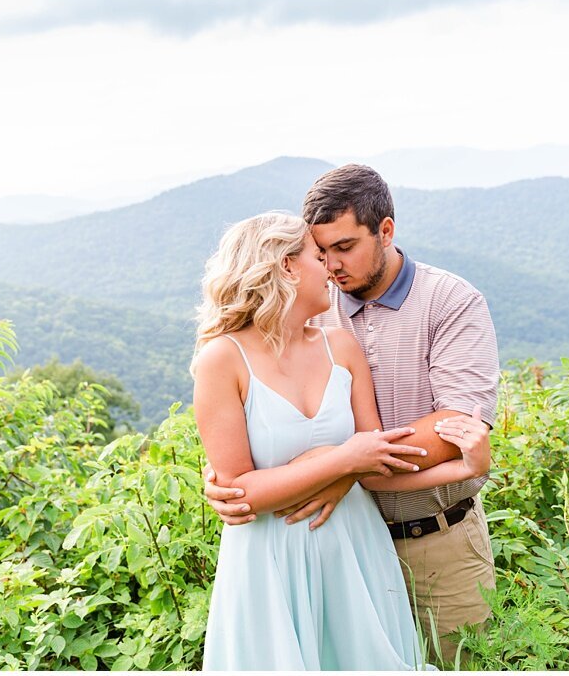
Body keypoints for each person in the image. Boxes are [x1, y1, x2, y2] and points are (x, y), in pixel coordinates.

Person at [205, 165, 500, 665]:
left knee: (455, 662)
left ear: (385, 231)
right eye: (320, 253)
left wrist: (345, 467)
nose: (332, 265)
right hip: (319, 546)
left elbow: (455, 430)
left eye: (343, 248)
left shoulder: (450, 302)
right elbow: (253, 433)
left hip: (434, 537)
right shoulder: (308, 308)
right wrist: (230, 477)